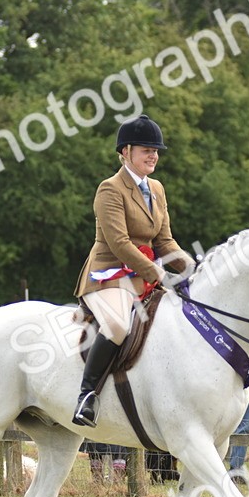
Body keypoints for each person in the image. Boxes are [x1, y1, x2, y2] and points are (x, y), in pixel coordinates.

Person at [72, 113, 188, 427]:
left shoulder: (157, 189)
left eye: (156, 150)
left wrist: (193, 269)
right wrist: (159, 274)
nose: (154, 155)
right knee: (118, 324)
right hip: (108, 275)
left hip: (143, 276)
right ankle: (87, 395)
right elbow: (120, 243)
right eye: (146, 150)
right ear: (126, 152)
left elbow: (164, 241)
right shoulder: (110, 189)